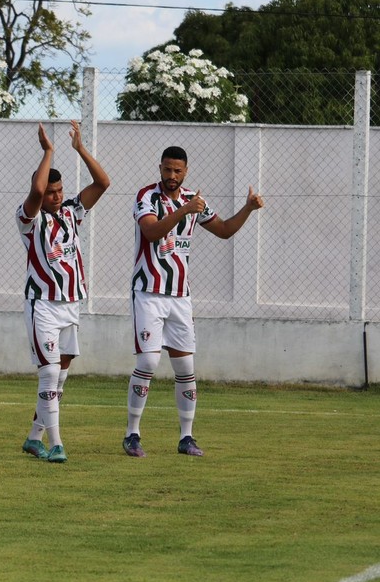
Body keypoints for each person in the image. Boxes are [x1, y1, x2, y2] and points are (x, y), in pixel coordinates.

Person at [123, 146, 264, 458]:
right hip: (148, 294)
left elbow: (225, 230)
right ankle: (132, 434)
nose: (172, 176)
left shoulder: (194, 200)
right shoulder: (147, 196)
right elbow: (149, 232)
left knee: (185, 367)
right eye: (167, 170)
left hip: (180, 297)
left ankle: (186, 437)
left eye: (177, 171)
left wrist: (248, 208)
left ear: (185, 171)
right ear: (159, 168)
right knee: (147, 362)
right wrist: (184, 211)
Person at [18, 122, 110, 463]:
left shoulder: (72, 212)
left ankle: (33, 438)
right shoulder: (29, 218)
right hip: (42, 304)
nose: (55, 196)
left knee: (61, 375)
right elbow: (36, 190)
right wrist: (48, 151)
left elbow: (103, 183)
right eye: (50, 192)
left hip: (71, 305)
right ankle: (56, 444)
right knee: (50, 373)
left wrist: (81, 150)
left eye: (59, 191)